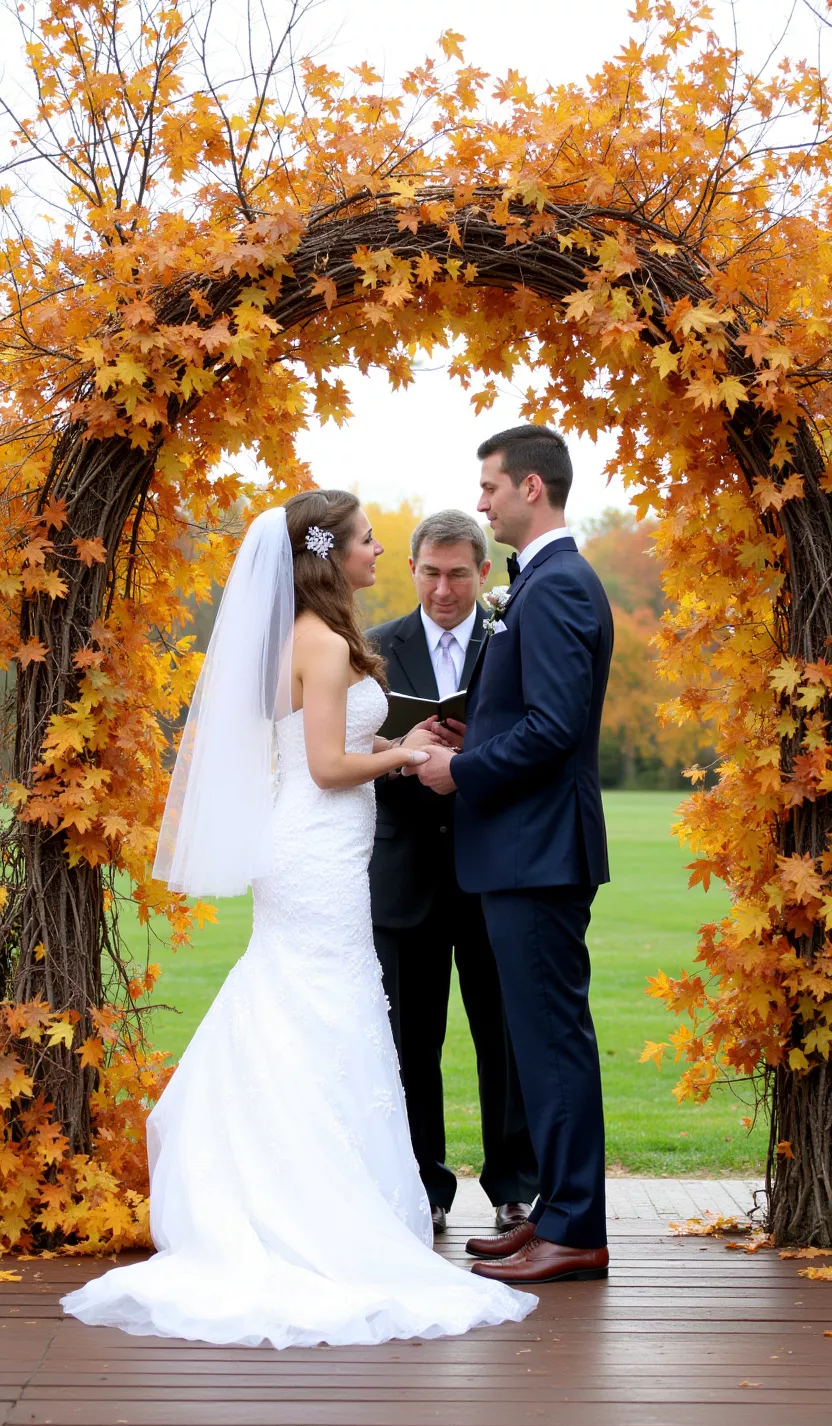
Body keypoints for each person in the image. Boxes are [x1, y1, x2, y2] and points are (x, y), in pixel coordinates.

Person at [61, 491, 536, 1346]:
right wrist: (408, 753)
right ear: (328, 553)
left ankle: (298, 1185)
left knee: (311, 1008)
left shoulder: (313, 636)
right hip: (314, 851)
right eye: (365, 541)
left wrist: (397, 740)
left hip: (324, 852)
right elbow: (323, 766)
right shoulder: (318, 641)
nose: (377, 553)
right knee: (321, 1009)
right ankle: (309, 1205)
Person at [415, 427, 613, 1287]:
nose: (482, 499)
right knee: (540, 1047)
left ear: (531, 487)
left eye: (490, 486)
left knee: (553, 1045)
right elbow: (532, 716)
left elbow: (558, 727)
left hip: (538, 855)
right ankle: (556, 1220)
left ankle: (574, 1230)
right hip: (524, 854)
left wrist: (461, 769)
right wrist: (477, 731)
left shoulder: (560, 585)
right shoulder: (540, 586)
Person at [368, 510, 538, 1235]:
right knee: (411, 1043)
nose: (444, 589)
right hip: (404, 874)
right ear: (412, 570)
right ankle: (426, 1185)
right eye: (431, 573)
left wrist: (474, 755)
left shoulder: (513, 641)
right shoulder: (373, 650)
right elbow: (347, 763)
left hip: (491, 867)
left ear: (484, 574)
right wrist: (404, 751)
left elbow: (536, 739)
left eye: (459, 574)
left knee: (502, 1036)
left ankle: (514, 1186)